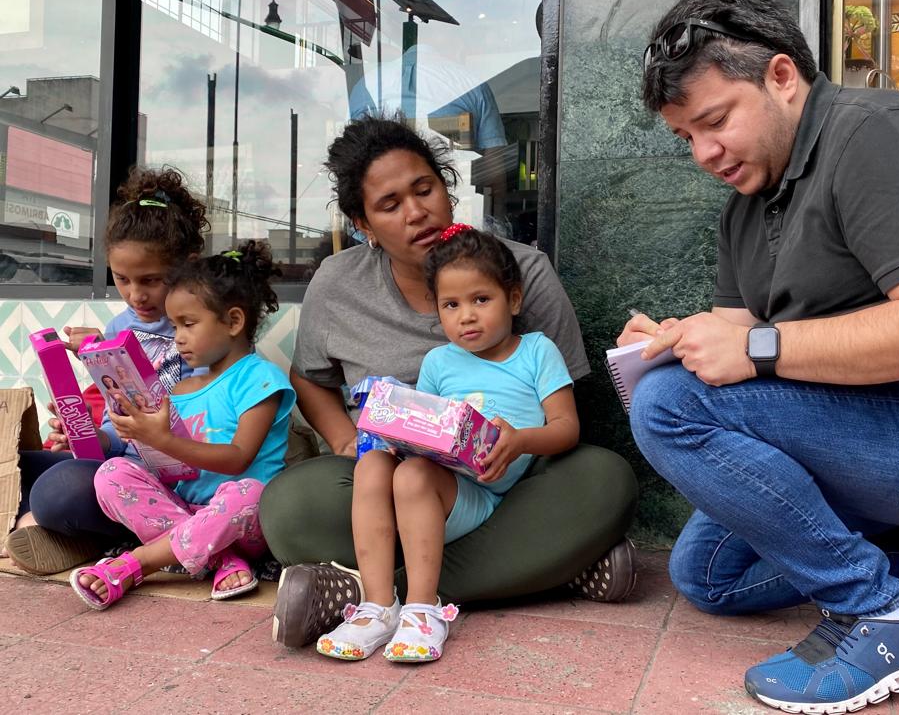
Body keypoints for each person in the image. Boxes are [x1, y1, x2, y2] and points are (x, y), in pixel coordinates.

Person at [620, 0, 899, 714]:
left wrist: (753, 349)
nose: (704, 154)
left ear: (781, 76)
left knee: (668, 408)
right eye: (687, 138)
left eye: (715, 122)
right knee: (708, 573)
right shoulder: (745, 210)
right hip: (885, 425)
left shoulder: (881, 134)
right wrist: (677, 341)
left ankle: (881, 614)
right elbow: (740, 357)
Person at [260, 116, 639, 649]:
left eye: (425, 189)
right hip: (397, 483)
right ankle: (554, 568)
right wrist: (346, 438)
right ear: (362, 224)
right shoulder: (337, 282)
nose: (417, 212)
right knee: (289, 507)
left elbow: (569, 410)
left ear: (446, 185)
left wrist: (517, 447)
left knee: (606, 479)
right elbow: (309, 377)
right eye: (390, 206)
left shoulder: (522, 271)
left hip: (514, 486)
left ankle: (355, 595)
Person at [317, 224, 580, 662]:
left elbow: (567, 427)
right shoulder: (439, 361)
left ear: (513, 299)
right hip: (438, 486)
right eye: (451, 305)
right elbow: (429, 428)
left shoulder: (536, 351)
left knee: (417, 474)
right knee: (374, 465)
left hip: (487, 495)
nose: (467, 316)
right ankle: (378, 608)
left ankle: (424, 609)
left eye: (481, 299)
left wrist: (518, 442)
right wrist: (393, 432)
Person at [69, 241, 295, 609]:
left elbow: (238, 459)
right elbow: (167, 466)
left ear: (234, 321)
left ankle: (136, 563)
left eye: (188, 324)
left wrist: (162, 439)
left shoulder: (260, 379)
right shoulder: (178, 389)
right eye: (174, 325)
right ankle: (219, 559)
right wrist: (136, 433)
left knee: (248, 493)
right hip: (185, 515)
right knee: (112, 473)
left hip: (242, 520)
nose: (178, 337)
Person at [6, 168, 209, 575]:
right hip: (118, 469)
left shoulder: (205, 330)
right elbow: (117, 439)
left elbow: (212, 429)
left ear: (187, 266)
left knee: (57, 493)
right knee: (20, 463)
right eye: (122, 279)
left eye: (151, 280)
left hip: (176, 480)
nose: (136, 295)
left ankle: (101, 538)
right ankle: (81, 535)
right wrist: (89, 434)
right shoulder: (118, 329)